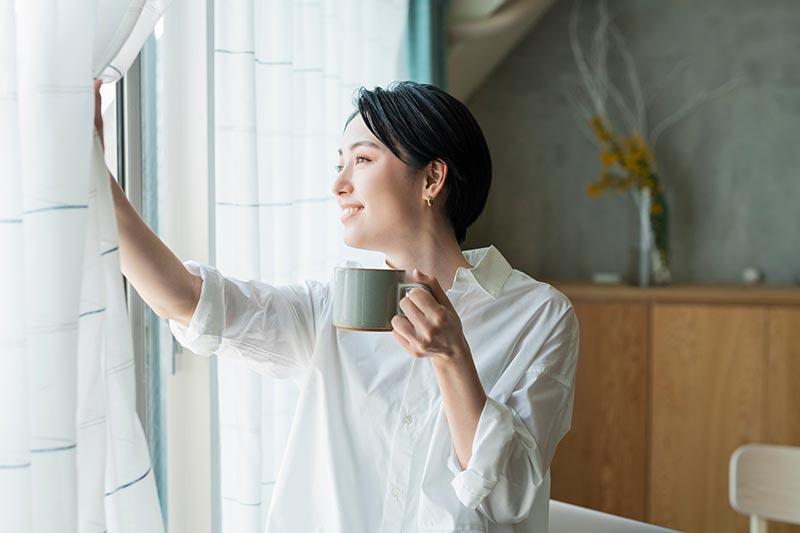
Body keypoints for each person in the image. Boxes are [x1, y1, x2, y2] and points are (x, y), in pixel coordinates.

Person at [100, 80, 579, 533]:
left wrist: (453, 358)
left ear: (432, 177)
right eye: (339, 164)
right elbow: (188, 302)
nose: (339, 186)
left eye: (363, 160)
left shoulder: (539, 316)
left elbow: (507, 499)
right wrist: (97, 181)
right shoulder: (329, 309)